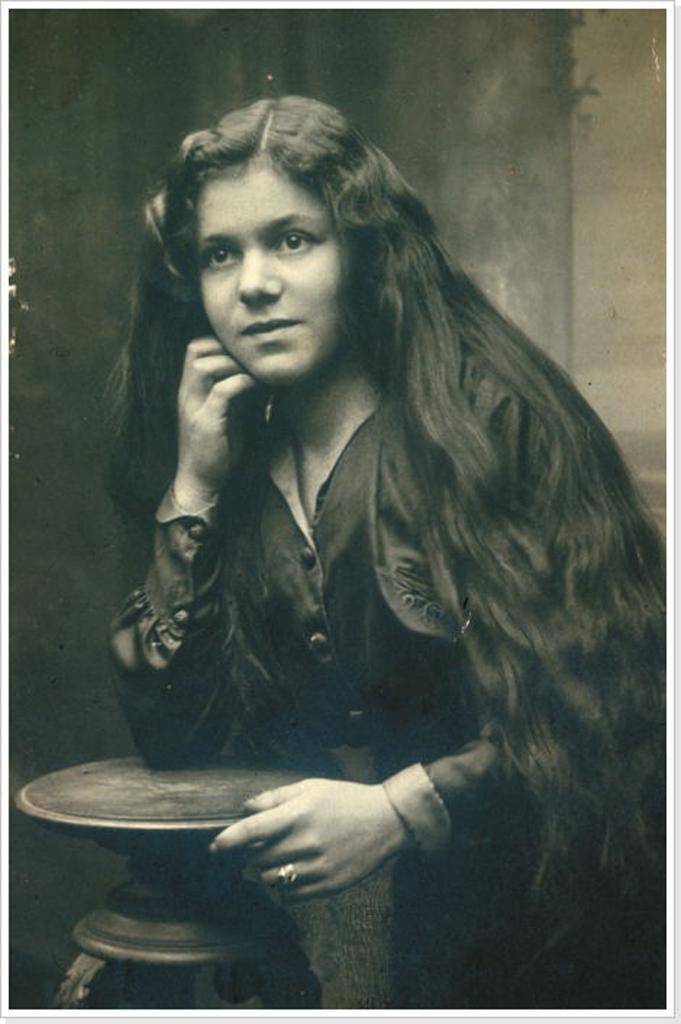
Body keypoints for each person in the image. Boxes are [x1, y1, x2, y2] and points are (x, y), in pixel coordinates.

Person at [107, 95, 666, 1009]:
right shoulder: (229, 455)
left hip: (535, 929)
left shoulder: (489, 421)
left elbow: (617, 706)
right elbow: (178, 746)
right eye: (220, 254)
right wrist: (193, 492)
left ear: (362, 251)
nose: (253, 285)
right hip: (324, 934)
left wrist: (400, 810)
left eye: (293, 240)